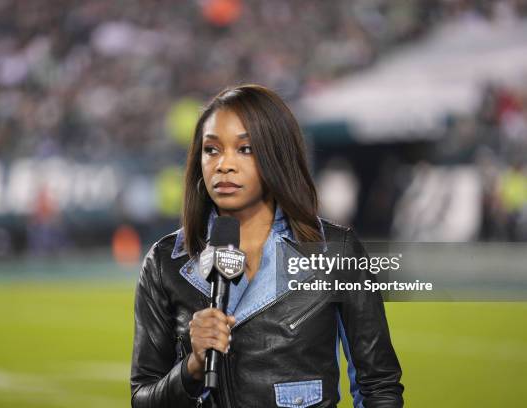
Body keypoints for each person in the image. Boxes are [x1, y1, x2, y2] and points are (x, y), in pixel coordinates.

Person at [130, 84, 404, 407]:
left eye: (245, 149)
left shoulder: (336, 252)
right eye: (212, 149)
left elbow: (379, 387)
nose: (224, 165)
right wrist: (191, 369)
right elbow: (142, 398)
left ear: (276, 154)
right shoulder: (165, 262)